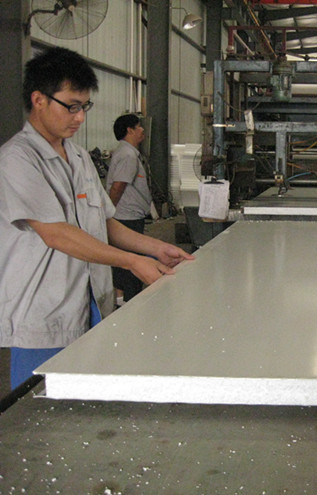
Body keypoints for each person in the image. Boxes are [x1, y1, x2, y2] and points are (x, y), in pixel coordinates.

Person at [0, 47, 194, 390]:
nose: (80, 118)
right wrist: (132, 261)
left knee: (84, 401)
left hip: (90, 304)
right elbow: (56, 234)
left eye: (84, 107)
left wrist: (154, 248)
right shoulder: (17, 160)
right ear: (39, 100)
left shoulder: (78, 157)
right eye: (71, 106)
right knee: (38, 409)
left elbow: (104, 224)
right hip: (43, 313)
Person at [106, 114, 152, 303]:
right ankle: (130, 304)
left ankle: (123, 301)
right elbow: (118, 186)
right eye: (139, 126)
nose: (142, 130)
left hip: (129, 216)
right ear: (130, 130)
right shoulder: (128, 155)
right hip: (126, 219)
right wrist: (108, 212)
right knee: (131, 267)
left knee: (125, 264)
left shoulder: (129, 153)